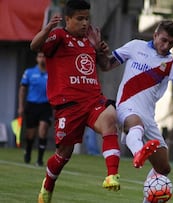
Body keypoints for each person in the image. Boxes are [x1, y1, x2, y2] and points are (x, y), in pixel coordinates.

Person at [30, 1, 121, 202]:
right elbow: (35, 46)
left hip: (93, 99)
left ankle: (111, 175)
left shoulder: (90, 41)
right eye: (79, 19)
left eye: (87, 18)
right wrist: (47, 29)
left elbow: (104, 66)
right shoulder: (59, 36)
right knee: (64, 154)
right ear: (68, 19)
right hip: (68, 105)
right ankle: (47, 186)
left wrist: (99, 50)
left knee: (110, 119)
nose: (84, 23)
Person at [110, 20, 173, 203]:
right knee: (136, 125)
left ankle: (147, 197)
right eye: (163, 40)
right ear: (155, 35)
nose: (166, 46)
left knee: (163, 169)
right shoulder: (135, 46)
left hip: (148, 117)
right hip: (126, 107)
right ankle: (137, 154)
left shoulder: (171, 62)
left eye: (171, 43)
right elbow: (106, 64)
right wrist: (99, 50)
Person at [18, 52, 52, 167]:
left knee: (43, 130)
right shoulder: (29, 72)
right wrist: (21, 106)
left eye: (44, 56)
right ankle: (28, 150)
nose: (42, 58)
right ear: (37, 58)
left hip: (46, 106)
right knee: (30, 134)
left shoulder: (52, 73)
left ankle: (40, 159)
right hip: (32, 105)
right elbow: (22, 89)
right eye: (40, 56)